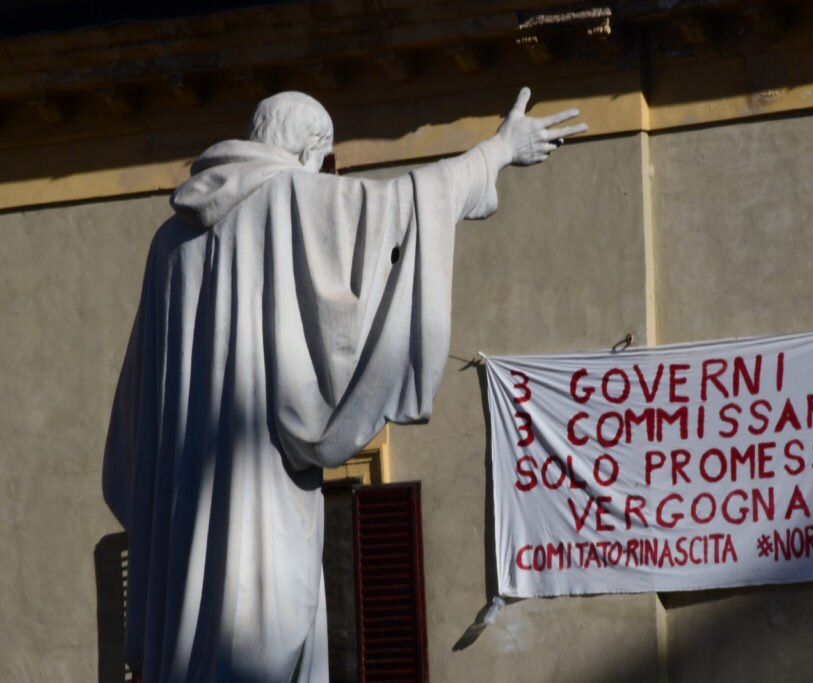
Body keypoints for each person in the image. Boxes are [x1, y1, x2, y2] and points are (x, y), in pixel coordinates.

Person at [102, 88, 585, 682]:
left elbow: (136, 425)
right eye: (324, 161)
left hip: (181, 547)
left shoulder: (168, 246)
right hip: (260, 506)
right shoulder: (286, 199)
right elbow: (404, 204)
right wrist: (495, 153)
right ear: (310, 151)